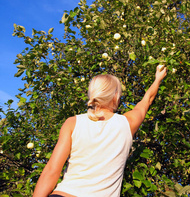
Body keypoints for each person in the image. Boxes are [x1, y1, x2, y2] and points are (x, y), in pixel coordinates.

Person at [33, 65, 167, 197]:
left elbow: (51, 171)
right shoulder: (127, 123)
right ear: (115, 96)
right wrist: (157, 79)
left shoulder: (72, 123)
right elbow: (147, 100)